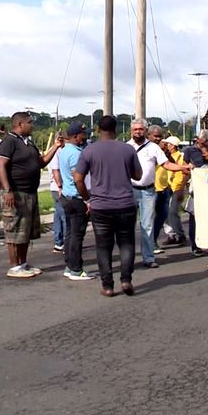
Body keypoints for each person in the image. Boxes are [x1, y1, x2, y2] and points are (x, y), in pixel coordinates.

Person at [74, 115, 142, 297]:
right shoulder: (128, 149)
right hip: (125, 203)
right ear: (116, 129)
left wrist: (87, 198)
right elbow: (137, 175)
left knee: (103, 246)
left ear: (98, 130)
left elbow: (78, 179)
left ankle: (108, 286)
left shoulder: (89, 151)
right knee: (127, 244)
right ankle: (126, 280)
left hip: (100, 206)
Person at [0, 112, 64, 278]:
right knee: (14, 229)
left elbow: (41, 162)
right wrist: (7, 190)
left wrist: (55, 146)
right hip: (15, 193)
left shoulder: (28, 143)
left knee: (25, 231)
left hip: (30, 192)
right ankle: (14, 266)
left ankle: (23, 263)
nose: (32, 125)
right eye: (29, 122)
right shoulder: (9, 141)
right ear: (20, 124)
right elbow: (1, 166)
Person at [128, 121, 191, 269]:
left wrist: (183, 167)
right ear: (132, 131)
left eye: (141, 129)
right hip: (130, 191)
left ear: (145, 131)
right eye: (135, 129)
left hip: (149, 191)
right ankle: (128, 258)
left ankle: (149, 257)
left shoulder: (154, 148)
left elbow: (167, 165)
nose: (138, 132)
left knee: (147, 225)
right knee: (128, 226)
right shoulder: (126, 147)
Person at [59, 122, 95, 280]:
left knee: (70, 234)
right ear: (75, 136)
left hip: (67, 196)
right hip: (77, 197)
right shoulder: (75, 154)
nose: (85, 136)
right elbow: (78, 180)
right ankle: (75, 269)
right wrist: (87, 199)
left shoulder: (65, 150)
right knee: (77, 235)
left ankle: (69, 265)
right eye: (83, 134)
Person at [163, 136, 188, 246]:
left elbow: (185, 173)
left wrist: (181, 188)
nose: (167, 146)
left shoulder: (181, 157)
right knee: (166, 213)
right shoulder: (166, 157)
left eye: (168, 144)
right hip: (167, 187)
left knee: (173, 212)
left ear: (173, 146)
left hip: (177, 188)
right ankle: (171, 235)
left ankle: (180, 235)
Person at [152, 136, 171, 255]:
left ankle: (153, 238)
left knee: (162, 215)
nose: (165, 145)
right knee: (150, 218)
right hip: (153, 189)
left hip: (164, 189)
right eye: (163, 143)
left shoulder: (167, 157)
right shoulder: (154, 154)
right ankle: (151, 242)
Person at [48, 146, 66, 253]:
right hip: (58, 188)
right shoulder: (56, 152)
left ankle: (58, 243)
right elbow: (55, 170)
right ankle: (66, 242)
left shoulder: (59, 151)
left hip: (56, 188)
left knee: (58, 215)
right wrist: (60, 187)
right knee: (65, 215)